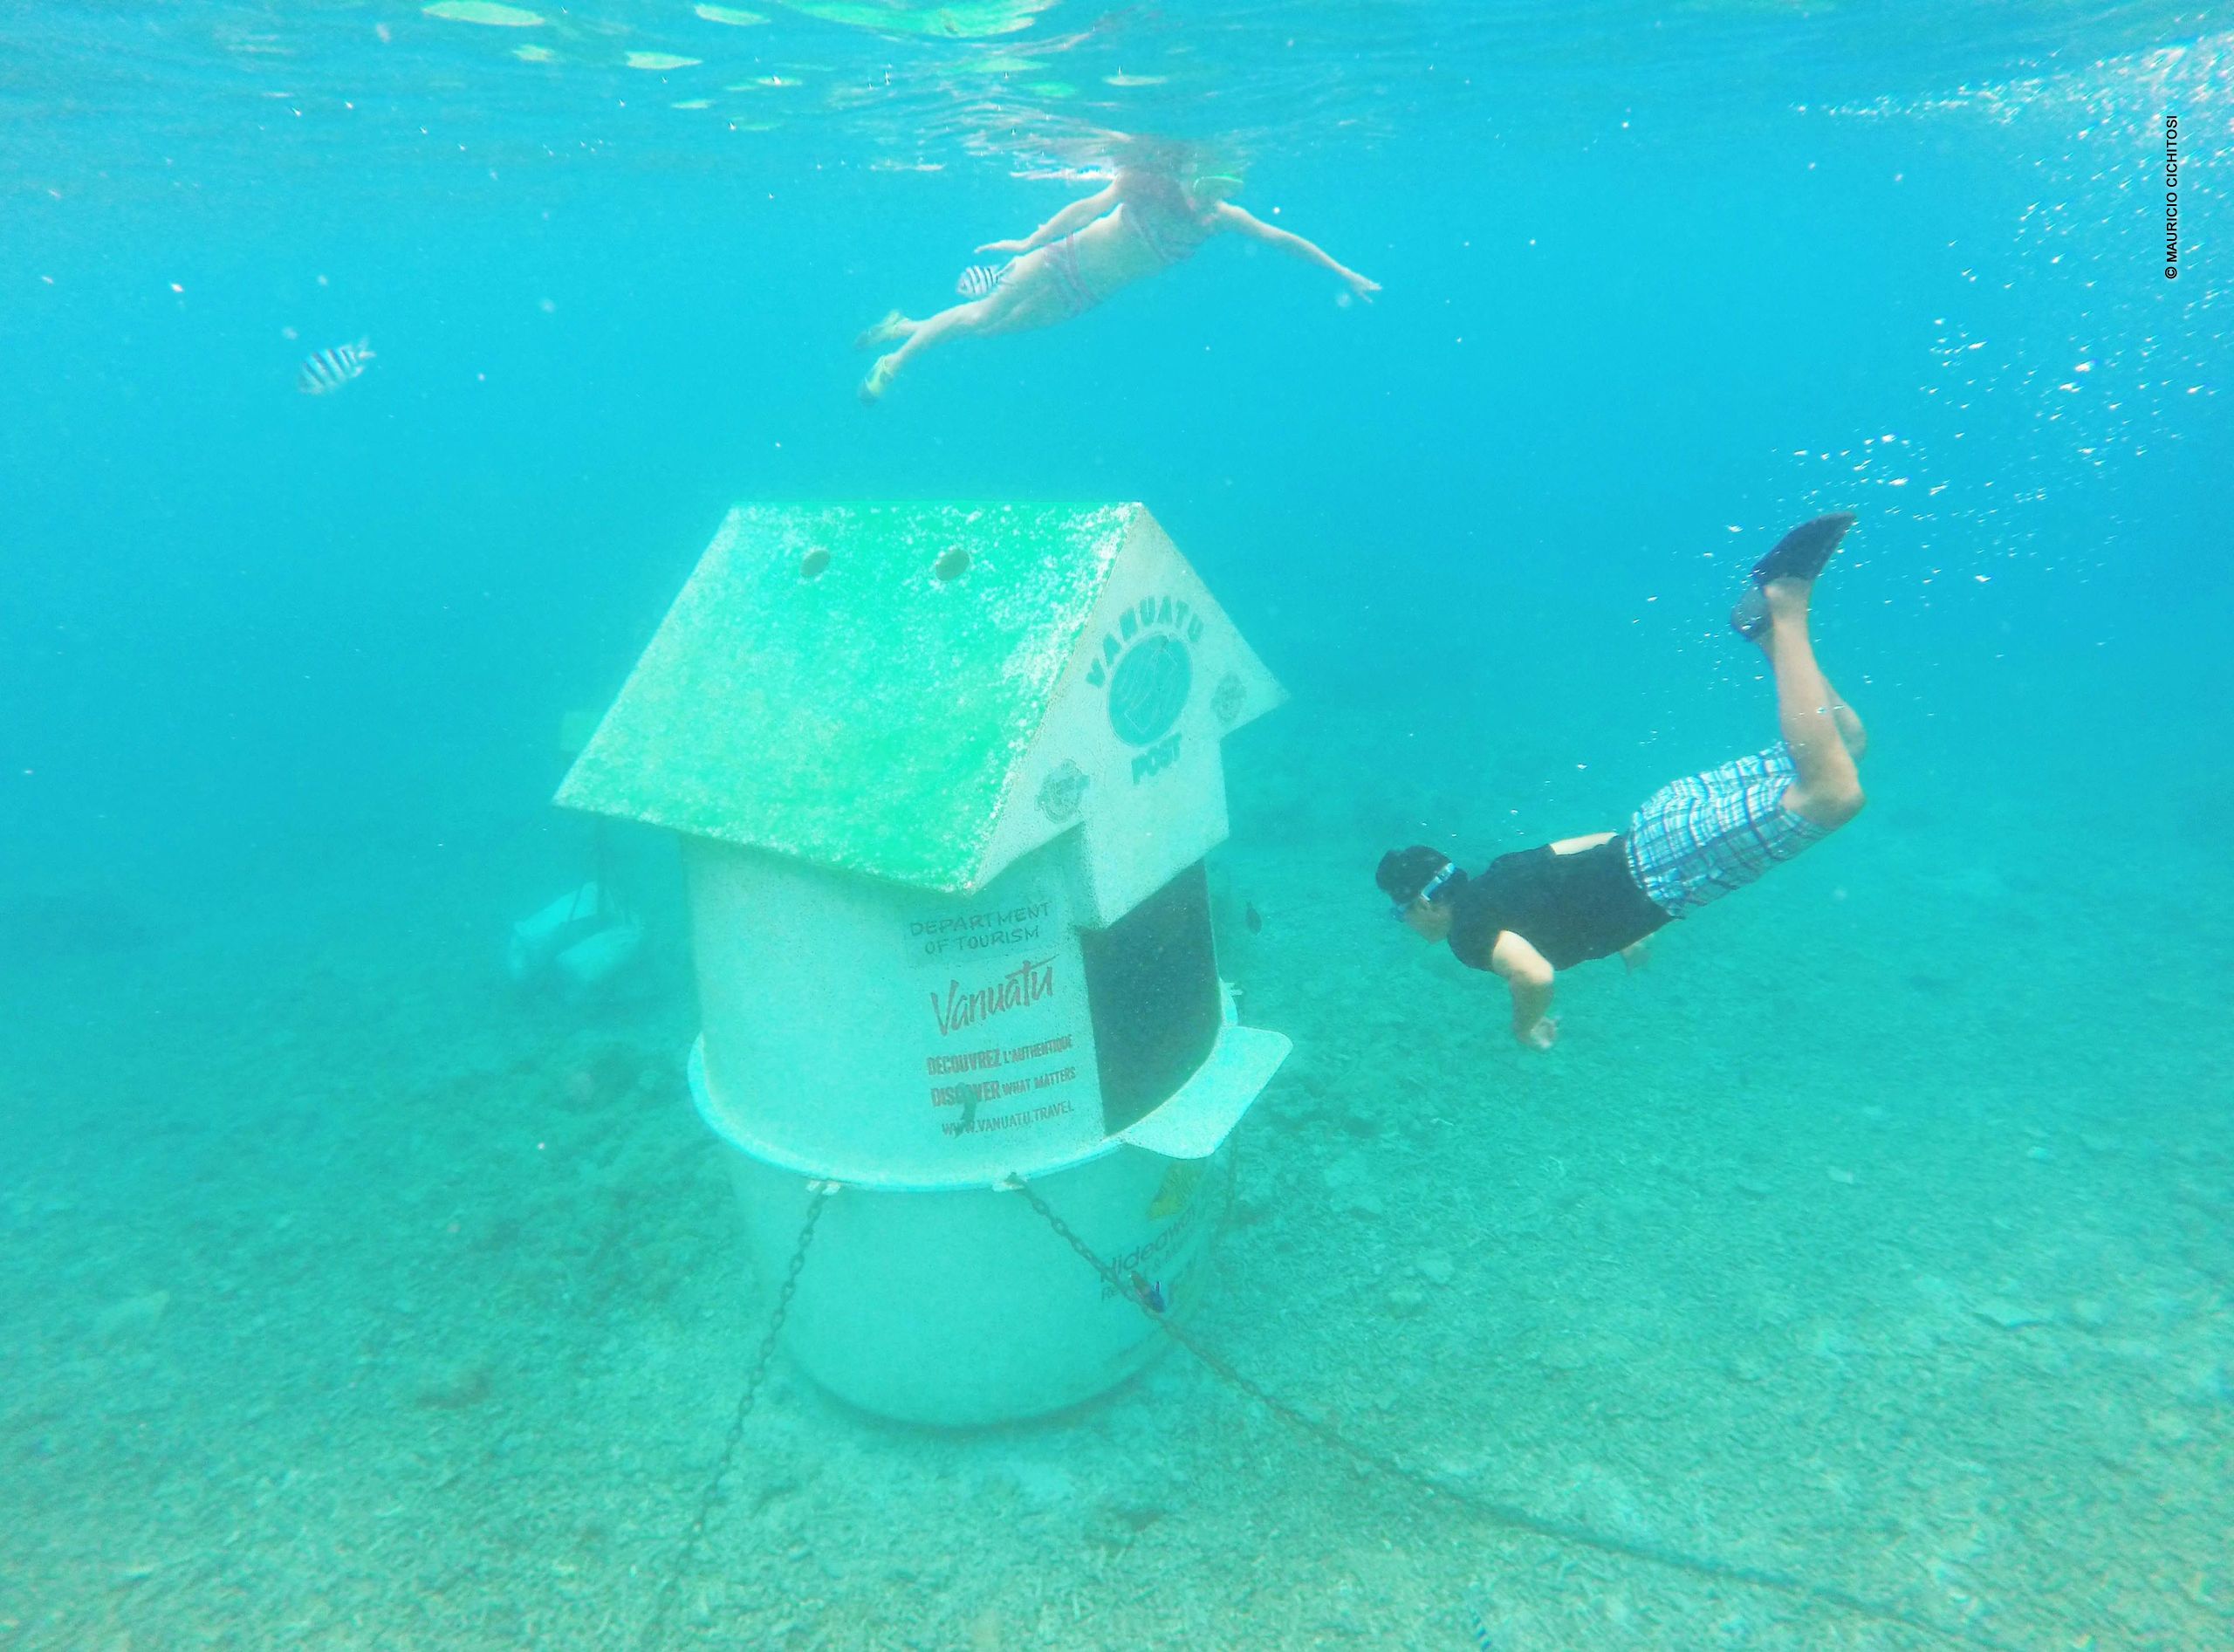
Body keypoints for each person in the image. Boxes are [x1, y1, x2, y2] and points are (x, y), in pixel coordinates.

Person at [1377, 513, 1868, 1049]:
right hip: (1658, 823)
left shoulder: (1468, 937)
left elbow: (1534, 975)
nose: (1405, 924)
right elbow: (1587, 851)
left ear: (1424, 904)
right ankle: (1765, 633)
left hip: (1670, 869)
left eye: (1401, 913)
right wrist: (1624, 934)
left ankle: (1786, 605)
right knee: (1844, 745)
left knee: (1832, 795)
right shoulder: (1500, 872)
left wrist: (1525, 1028)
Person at [853, 161, 1380, 401]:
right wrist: (1028, 242)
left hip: (1084, 295)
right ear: (1188, 177)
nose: (1207, 202)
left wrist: (1341, 271)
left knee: (987, 330)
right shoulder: (1146, 185)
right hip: (1059, 259)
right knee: (978, 315)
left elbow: (1282, 239)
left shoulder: (1221, 220)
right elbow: (1086, 208)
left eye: (1219, 193)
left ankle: (905, 326)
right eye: (1203, 189)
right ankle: (894, 363)